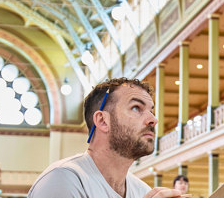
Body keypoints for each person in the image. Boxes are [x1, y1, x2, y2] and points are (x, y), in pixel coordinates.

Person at [28, 78, 183, 198]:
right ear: (102, 121)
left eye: (151, 110)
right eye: (136, 108)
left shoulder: (141, 190)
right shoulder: (63, 179)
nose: (153, 119)